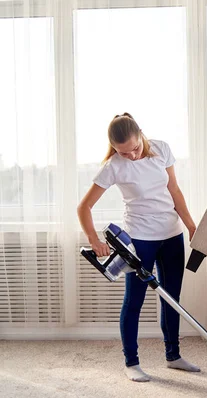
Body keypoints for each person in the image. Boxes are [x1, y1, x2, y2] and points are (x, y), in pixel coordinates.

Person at [77, 113, 199, 382]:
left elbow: (175, 191)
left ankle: (173, 356)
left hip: (171, 235)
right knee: (134, 301)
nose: (131, 155)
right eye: (124, 151)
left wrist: (190, 225)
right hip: (139, 239)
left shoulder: (162, 149)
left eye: (135, 148)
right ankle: (131, 362)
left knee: (171, 299)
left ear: (141, 134)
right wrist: (93, 240)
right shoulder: (113, 166)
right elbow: (83, 207)